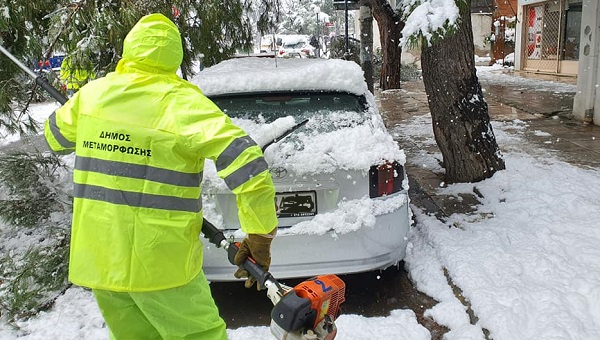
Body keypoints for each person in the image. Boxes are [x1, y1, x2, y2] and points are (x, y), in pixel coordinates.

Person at [44, 13, 278, 339]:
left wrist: (91, 112)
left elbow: (55, 136)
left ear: (130, 49)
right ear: (174, 56)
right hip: (161, 266)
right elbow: (249, 165)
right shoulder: (183, 105)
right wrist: (260, 237)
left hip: (101, 261)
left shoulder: (93, 95)